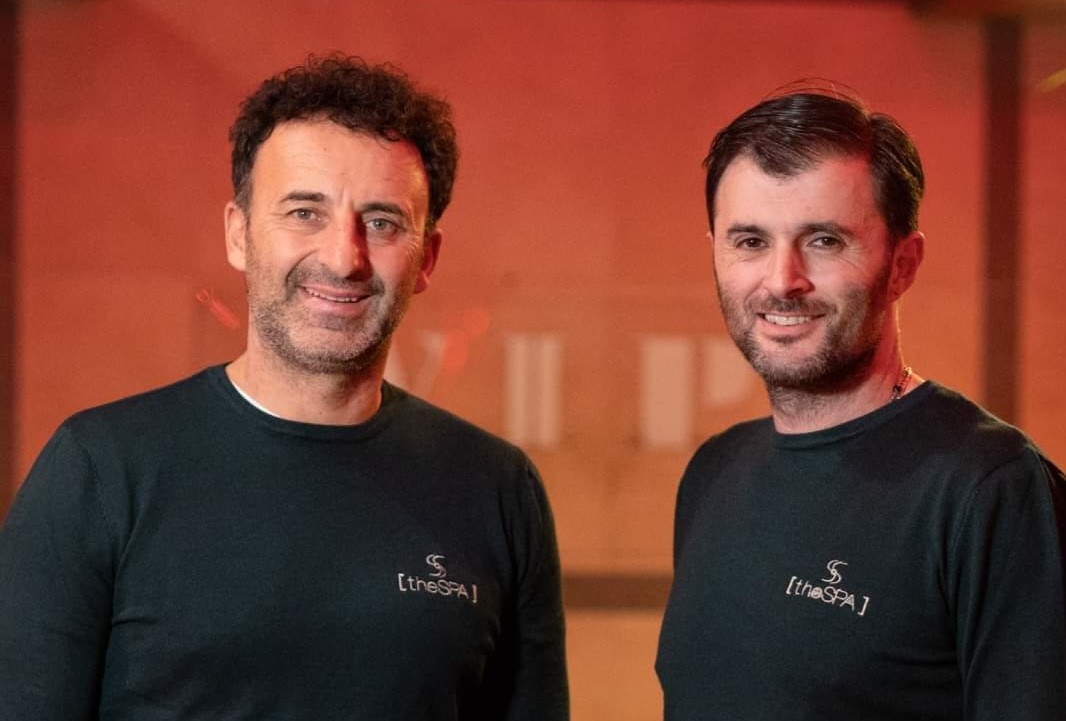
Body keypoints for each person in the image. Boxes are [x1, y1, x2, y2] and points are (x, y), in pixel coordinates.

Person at [0, 55, 568, 720]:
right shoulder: (101, 470)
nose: (343, 257)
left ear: (426, 260)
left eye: (382, 222)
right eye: (305, 212)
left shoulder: (497, 488)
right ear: (239, 234)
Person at [655, 88, 1066, 720]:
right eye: (751, 241)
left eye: (824, 240)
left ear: (903, 263)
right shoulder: (715, 471)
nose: (782, 280)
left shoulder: (991, 489)